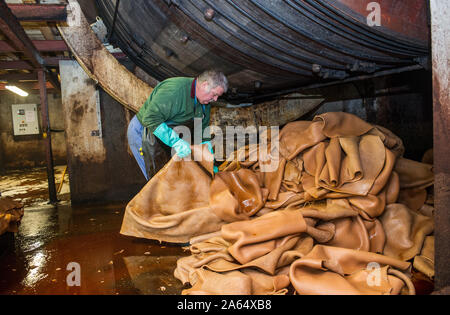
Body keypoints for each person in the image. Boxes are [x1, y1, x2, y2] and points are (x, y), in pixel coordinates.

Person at [127, 70, 228, 180]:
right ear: (205, 85)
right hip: (145, 131)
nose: (215, 99)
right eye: (214, 94)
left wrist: (208, 157)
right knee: (156, 178)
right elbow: (150, 119)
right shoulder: (174, 90)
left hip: (168, 135)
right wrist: (176, 142)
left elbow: (202, 132)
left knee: (172, 177)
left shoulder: (204, 103)